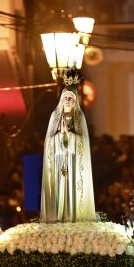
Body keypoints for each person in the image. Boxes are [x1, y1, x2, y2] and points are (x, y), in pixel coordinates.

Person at [40, 88, 96, 223]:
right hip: (58, 161)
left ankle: (74, 217)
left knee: (74, 191)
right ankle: (57, 217)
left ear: (75, 101)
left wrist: (69, 136)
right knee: (58, 189)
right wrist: (60, 136)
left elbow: (84, 140)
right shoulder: (55, 116)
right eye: (65, 97)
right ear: (61, 100)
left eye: (71, 98)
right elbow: (48, 140)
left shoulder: (79, 116)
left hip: (75, 162)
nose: (68, 100)